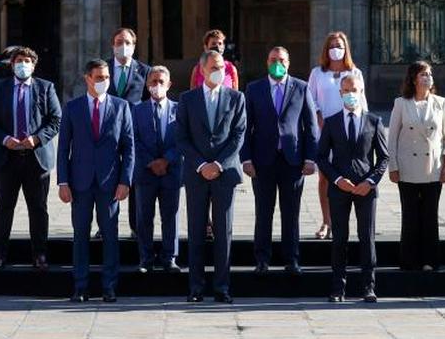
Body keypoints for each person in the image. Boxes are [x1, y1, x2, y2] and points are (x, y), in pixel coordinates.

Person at [57, 60, 135, 303]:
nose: (103, 82)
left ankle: (109, 286)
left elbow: (129, 147)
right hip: (80, 182)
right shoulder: (73, 108)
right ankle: (80, 286)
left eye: (107, 78)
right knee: (81, 235)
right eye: (99, 77)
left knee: (110, 236)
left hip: (109, 182)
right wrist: (63, 182)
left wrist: (125, 181)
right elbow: (63, 149)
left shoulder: (121, 107)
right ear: (87, 79)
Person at [0, 45, 62, 270]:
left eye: (27, 61)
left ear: (34, 65)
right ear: (12, 64)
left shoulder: (46, 88)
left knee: (38, 208)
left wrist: (37, 139)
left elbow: (56, 120)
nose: (23, 65)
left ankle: (39, 254)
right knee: (3, 208)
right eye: (19, 61)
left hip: (36, 158)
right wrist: (4, 138)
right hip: (6, 157)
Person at [178, 48, 247, 303]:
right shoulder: (188, 99)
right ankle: (196, 288)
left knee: (223, 231)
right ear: (203, 70)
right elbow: (181, 138)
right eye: (215, 67)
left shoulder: (236, 98)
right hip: (196, 175)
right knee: (196, 231)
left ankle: (222, 287)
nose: (220, 72)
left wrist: (218, 163)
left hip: (224, 173)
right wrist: (200, 165)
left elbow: (238, 135)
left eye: (223, 68)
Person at [241, 46, 318, 274]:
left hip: (292, 160)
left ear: (288, 63)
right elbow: (246, 126)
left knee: (291, 213)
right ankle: (262, 259)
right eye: (273, 59)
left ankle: (291, 259)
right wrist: (245, 159)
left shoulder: (301, 88)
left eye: (282, 59)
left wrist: (310, 158)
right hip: (262, 160)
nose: (278, 63)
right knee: (263, 212)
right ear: (267, 62)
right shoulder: (254, 89)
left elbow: (311, 126)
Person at [318, 69, 388, 303]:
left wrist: (370, 182)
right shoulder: (331, 122)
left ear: (361, 92)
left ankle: (368, 286)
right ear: (340, 93)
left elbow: (384, 157)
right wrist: (338, 180)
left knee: (366, 237)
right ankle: (338, 287)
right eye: (346, 91)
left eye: (354, 91)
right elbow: (321, 157)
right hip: (340, 188)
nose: (350, 95)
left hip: (365, 189)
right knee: (340, 238)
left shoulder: (374, 121)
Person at [388, 60, 445, 271]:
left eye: (429, 74)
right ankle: (409, 261)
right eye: (423, 74)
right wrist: (393, 166)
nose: (427, 77)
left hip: (432, 168)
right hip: (407, 167)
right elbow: (392, 138)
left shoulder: (441, 103)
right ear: (414, 79)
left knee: (429, 215)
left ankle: (430, 260)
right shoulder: (401, 103)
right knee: (410, 215)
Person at [305, 30, 356, 240]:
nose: (336, 50)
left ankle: (341, 222)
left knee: (347, 177)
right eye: (333, 46)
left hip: (346, 131)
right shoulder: (318, 73)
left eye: (340, 46)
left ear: (346, 49)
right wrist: (317, 115)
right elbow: (310, 98)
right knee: (325, 177)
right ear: (327, 50)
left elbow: (362, 102)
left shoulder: (354, 72)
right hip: (324, 131)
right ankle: (327, 221)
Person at [132, 66, 182, 273]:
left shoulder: (180, 109)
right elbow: (133, 139)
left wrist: (167, 160)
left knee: (170, 215)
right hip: (145, 172)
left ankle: (169, 257)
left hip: (171, 171)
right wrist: (151, 162)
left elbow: (184, 139)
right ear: (147, 84)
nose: (157, 86)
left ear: (169, 85)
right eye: (153, 82)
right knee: (144, 216)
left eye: (161, 82)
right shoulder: (136, 110)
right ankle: (146, 258)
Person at [109, 27, 150, 237]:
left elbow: (147, 103)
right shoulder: (104, 68)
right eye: (118, 42)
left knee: (133, 181)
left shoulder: (145, 71)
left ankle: (136, 226)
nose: (122, 46)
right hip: (108, 136)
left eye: (127, 42)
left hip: (134, 135)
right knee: (108, 181)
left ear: (134, 46)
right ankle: (107, 225)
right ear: (112, 45)